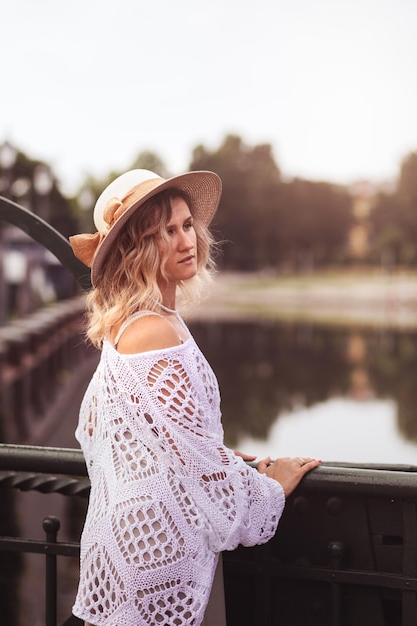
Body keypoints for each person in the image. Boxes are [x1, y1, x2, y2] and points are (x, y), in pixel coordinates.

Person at [69, 169, 321, 626]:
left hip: (142, 543)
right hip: (159, 555)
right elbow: (202, 472)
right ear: (137, 247)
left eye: (187, 225)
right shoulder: (155, 333)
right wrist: (271, 488)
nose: (187, 240)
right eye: (167, 231)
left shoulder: (138, 323)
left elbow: (153, 437)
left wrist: (210, 453)